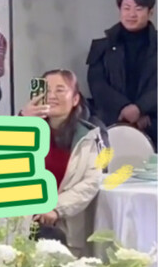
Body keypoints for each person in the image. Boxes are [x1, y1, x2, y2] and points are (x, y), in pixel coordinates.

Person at [20, 69, 103, 256]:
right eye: (47, 90)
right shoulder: (25, 128)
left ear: (75, 99)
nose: (52, 96)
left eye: (60, 90)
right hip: (21, 225)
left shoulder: (88, 136)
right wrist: (22, 121)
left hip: (65, 228)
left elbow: (91, 182)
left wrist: (55, 207)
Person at [87, 0, 157, 148]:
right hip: (111, 123)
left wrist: (140, 108)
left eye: (139, 8)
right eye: (126, 8)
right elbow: (96, 83)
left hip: (153, 121)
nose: (132, 14)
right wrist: (124, 108)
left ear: (150, 12)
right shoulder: (102, 46)